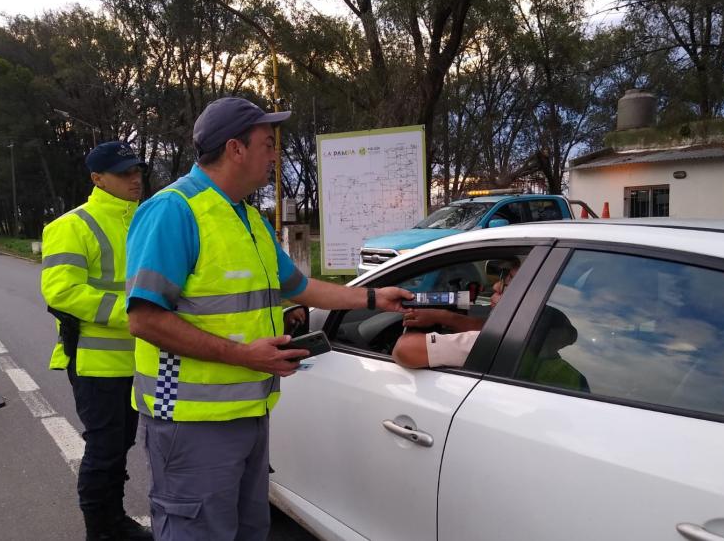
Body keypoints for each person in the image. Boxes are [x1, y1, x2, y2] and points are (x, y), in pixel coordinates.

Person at [125, 96, 413, 540]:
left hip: (248, 413)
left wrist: (374, 297)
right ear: (235, 149)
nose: (274, 155)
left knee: (248, 531)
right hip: (191, 421)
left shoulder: (247, 218)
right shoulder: (174, 210)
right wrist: (245, 356)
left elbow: (298, 287)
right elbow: (145, 319)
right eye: (266, 143)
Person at [40, 142, 153, 540]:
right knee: (104, 451)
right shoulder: (72, 225)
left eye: (136, 170)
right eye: (124, 173)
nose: (135, 178)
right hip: (95, 362)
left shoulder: (145, 219)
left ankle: (115, 520)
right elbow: (62, 292)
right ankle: (101, 530)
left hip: (141, 361)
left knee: (119, 447)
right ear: (97, 179)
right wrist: (136, 313)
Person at [393, 257, 521, 368]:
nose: (496, 286)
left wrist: (413, 329)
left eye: (511, 279)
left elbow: (405, 349)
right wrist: (441, 317)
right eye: (506, 277)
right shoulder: (526, 329)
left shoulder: (503, 342)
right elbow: (488, 328)